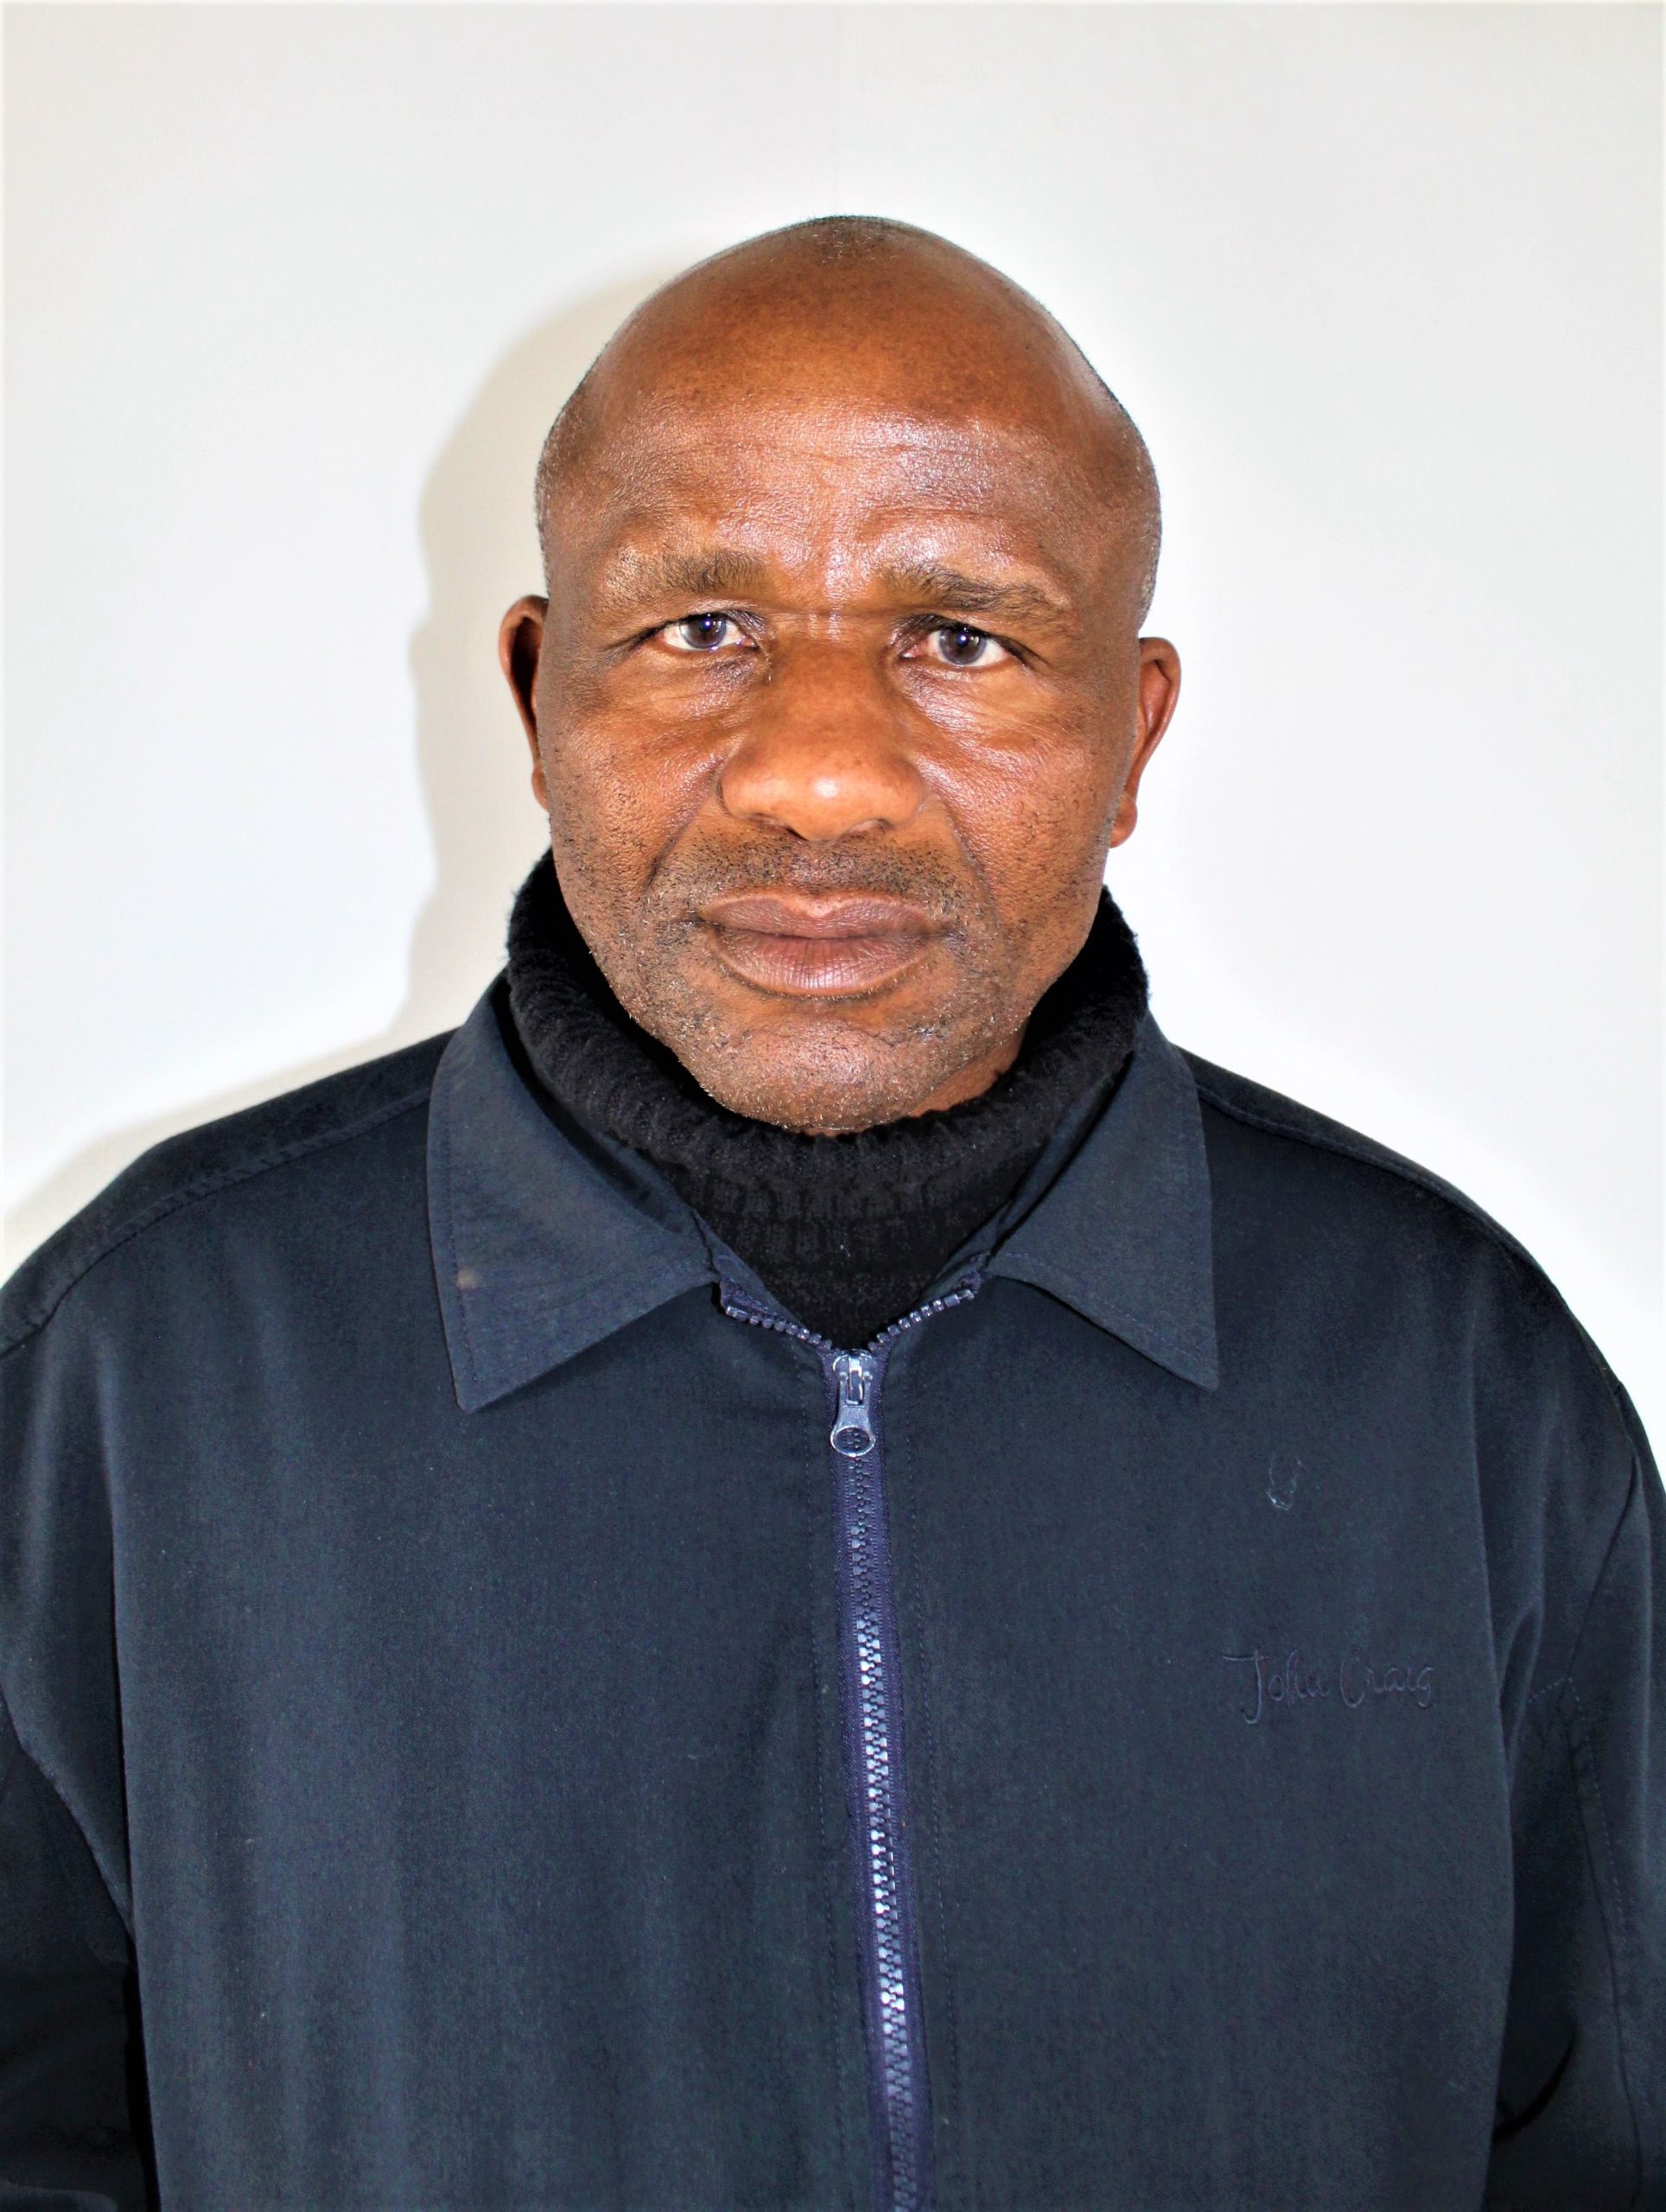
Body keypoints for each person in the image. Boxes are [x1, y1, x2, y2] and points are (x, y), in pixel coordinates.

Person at [1, 216, 1659, 2212]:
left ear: (1131, 733)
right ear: (533, 693)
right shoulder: (144, 1371)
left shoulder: (1451, 1379)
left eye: (959, 638)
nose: (815, 777)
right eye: (700, 627)